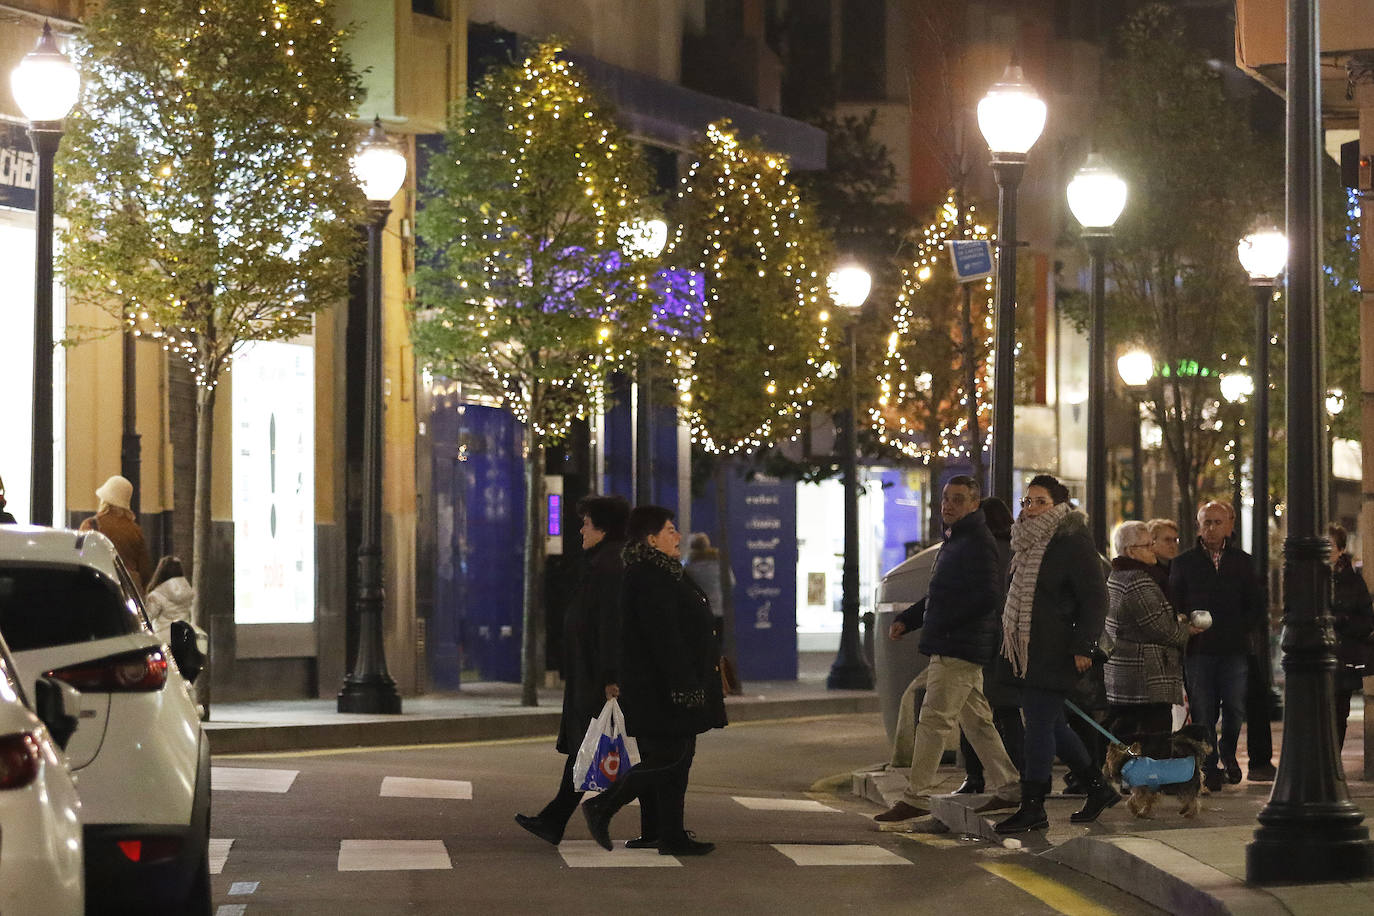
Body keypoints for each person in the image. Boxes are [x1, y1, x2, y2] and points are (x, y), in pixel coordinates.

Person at [874, 476, 1021, 822]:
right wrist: (909, 619)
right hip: (957, 641)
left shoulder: (975, 542)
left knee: (934, 720)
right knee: (977, 720)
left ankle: (917, 794)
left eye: (957, 500)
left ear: (974, 504)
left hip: (959, 644)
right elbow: (942, 594)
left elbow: (987, 596)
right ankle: (1010, 785)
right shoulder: (959, 540)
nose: (948, 505)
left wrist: (948, 624)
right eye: (945, 499)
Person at [582, 505, 726, 857]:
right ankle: (603, 806)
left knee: (674, 759)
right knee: (670, 759)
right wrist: (684, 684)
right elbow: (664, 638)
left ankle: (666, 833)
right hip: (662, 687)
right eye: (670, 529)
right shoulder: (650, 576)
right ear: (652, 539)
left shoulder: (662, 571)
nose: (677, 535)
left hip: (666, 684)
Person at [994, 474, 1115, 834]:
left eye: (1040, 502)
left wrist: (1084, 647)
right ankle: (1097, 787)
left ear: (1059, 505)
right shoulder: (1026, 542)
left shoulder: (1071, 541)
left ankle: (1033, 804)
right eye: (1027, 501)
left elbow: (1096, 598)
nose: (1030, 509)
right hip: (1030, 649)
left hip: (1057, 649)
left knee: (1040, 726)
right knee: (1054, 724)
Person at [516, 494, 630, 847]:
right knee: (590, 746)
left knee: (597, 746)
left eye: (586, 523)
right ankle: (555, 819)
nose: (581, 529)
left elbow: (610, 625)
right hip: (590, 673)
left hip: (597, 676)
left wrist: (611, 677)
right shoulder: (601, 561)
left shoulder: (608, 566)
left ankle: (576, 815)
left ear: (603, 528)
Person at [1169, 500, 1265, 790]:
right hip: (1199, 649)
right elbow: (1173, 601)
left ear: (1230, 526)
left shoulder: (1243, 562)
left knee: (1235, 708)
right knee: (1203, 709)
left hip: (1234, 648)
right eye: (1206, 522)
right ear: (1199, 526)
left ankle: (1228, 752)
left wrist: (1242, 628)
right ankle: (1210, 765)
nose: (1210, 528)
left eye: (1217, 522)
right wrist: (1185, 624)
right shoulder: (1184, 562)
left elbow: (1257, 604)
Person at [1104, 521, 1199, 759]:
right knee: (1153, 732)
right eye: (1147, 545)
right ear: (1131, 551)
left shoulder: (1119, 574)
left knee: (1129, 730)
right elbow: (1160, 628)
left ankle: (1132, 776)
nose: (1152, 549)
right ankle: (1151, 779)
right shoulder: (1138, 580)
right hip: (1146, 674)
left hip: (1129, 670)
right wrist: (1186, 630)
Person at [955, 496, 1024, 793]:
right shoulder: (1019, 552)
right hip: (1012, 642)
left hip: (980, 640)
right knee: (1008, 714)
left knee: (971, 711)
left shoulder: (977, 551)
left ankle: (975, 776)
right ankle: (1021, 775)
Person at [1329, 524, 1373, 753]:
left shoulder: (1353, 581)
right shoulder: (1310, 578)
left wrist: (1341, 620)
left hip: (1343, 656)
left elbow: (1366, 619)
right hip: (1315, 655)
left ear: (1340, 549)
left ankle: (1333, 758)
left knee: (1339, 710)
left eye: (1329, 546)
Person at [79, 475, 154, 595]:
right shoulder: (135, 530)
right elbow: (145, 571)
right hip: (129, 593)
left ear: (105, 500)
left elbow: (81, 559)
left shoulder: (90, 525)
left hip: (100, 587)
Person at [683, 532, 733, 657]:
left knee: (699, 649)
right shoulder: (719, 564)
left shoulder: (688, 566)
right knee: (716, 647)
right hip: (717, 612)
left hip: (696, 612)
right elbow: (730, 582)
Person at [145, 556, 195, 645]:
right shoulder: (187, 592)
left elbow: (148, 617)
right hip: (184, 638)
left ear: (161, 572)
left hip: (163, 640)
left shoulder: (156, 594)